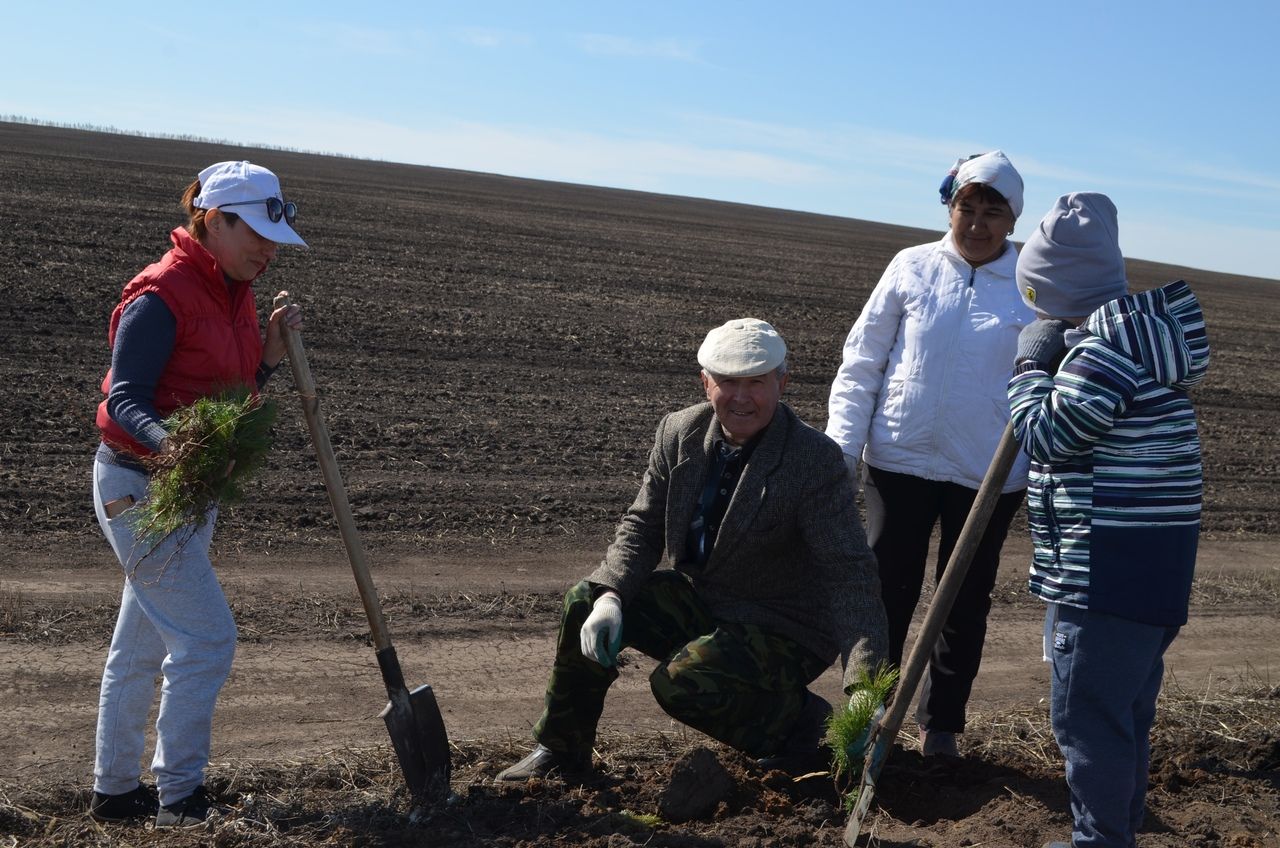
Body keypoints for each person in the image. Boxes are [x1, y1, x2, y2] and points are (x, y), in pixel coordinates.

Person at [497, 318, 889, 781]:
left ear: (782, 382)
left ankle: (799, 726)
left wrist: (864, 683)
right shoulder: (678, 433)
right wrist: (611, 595)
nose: (742, 397)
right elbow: (643, 524)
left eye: (756, 382)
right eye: (727, 382)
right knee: (585, 599)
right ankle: (562, 749)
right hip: (706, 598)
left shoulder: (812, 458)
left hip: (785, 623)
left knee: (681, 681)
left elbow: (848, 571)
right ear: (706, 383)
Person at [88, 161, 306, 828]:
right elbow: (124, 398)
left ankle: (117, 793)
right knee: (208, 639)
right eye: (259, 235)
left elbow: (230, 397)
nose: (269, 250)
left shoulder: (233, 295)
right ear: (215, 219)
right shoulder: (162, 295)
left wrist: (266, 356)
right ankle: (180, 800)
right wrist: (170, 440)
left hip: (188, 493)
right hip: (138, 489)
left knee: (142, 646)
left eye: (276, 239)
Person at [1008, 193, 1210, 848]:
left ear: (1043, 292)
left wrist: (1029, 368)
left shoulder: (1100, 357)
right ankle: (1114, 833)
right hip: (1152, 581)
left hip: (1103, 581)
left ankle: (1099, 841)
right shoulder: (1143, 347)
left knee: (1087, 721)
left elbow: (1048, 435)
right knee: (1123, 716)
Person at [825, 150, 1034, 758]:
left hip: (987, 474)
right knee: (884, 592)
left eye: (992, 212)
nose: (976, 223)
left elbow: (1048, 378)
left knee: (963, 600)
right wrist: (843, 446)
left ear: (1013, 220)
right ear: (950, 207)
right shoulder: (910, 267)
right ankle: (866, 718)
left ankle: (941, 727)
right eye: (966, 207)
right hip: (898, 460)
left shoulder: (1032, 286)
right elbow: (861, 361)